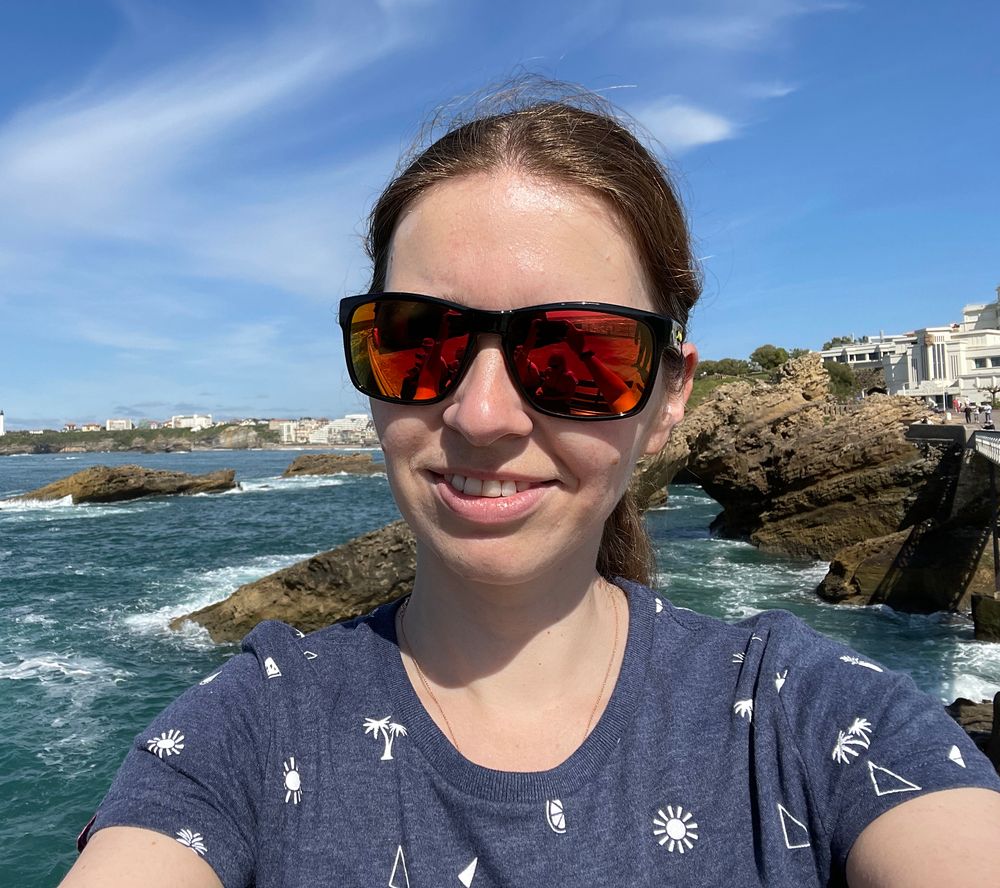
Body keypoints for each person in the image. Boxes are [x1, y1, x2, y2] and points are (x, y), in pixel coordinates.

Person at [62, 85, 1000, 887]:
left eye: (579, 355)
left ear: (670, 394)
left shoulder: (817, 721)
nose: (482, 416)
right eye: (416, 341)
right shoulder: (244, 737)